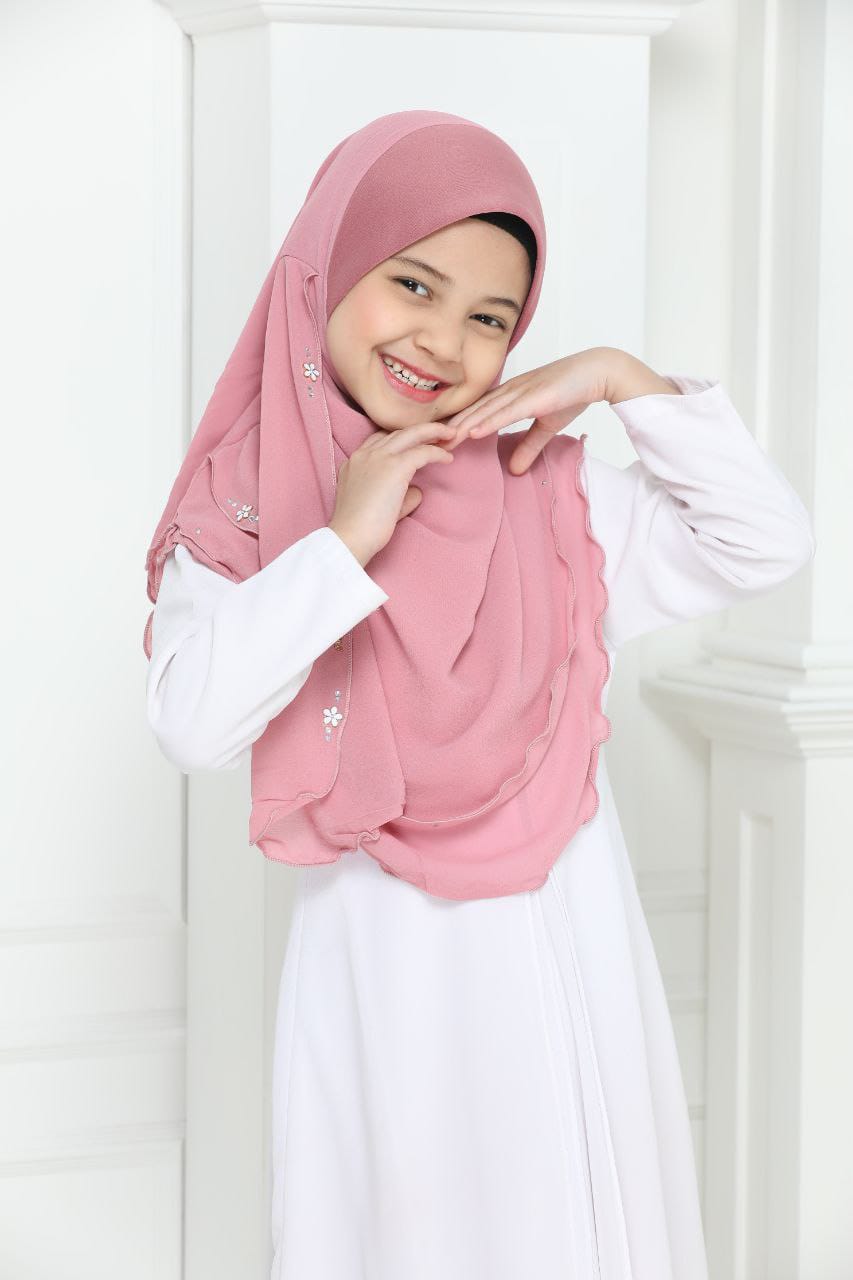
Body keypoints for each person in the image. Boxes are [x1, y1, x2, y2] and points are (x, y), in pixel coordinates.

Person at [143, 110, 815, 1279]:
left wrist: (618, 379)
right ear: (328, 264)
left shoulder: (539, 486)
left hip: (572, 969)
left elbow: (765, 542)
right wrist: (342, 543)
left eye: (490, 318)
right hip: (390, 988)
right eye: (412, 283)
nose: (442, 341)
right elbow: (192, 721)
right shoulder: (245, 512)